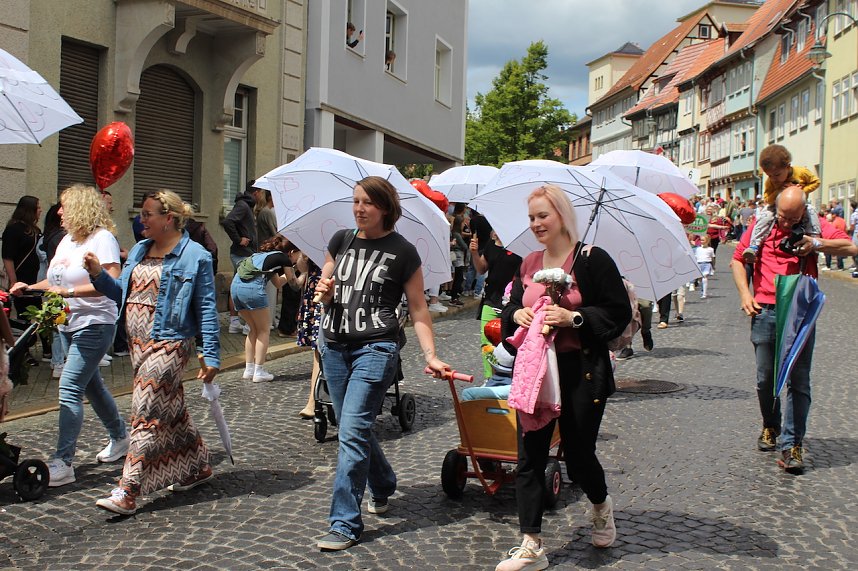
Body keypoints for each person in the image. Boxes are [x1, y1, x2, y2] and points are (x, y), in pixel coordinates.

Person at [496, 184, 631, 570]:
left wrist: (574, 317)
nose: (536, 224)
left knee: (578, 454)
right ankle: (531, 543)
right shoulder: (528, 263)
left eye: (543, 215)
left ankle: (601, 506)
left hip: (579, 371)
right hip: (535, 369)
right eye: (532, 217)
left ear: (562, 216)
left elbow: (618, 311)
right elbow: (508, 305)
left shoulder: (591, 259)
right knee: (530, 455)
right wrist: (515, 316)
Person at [313, 176, 450, 551]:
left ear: (385, 208)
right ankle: (384, 482)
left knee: (352, 431)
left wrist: (430, 355)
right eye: (355, 202)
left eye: (367, 203)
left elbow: (419, 308)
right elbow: (326, 282)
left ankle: (344, 523)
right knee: (352, 428)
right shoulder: (341, 241)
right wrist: (324, 291)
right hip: (334, 347)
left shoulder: (404, 252)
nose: (359, 209)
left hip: (377, 349)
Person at [84, 189, 220, 515]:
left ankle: (127, 490)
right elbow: (121, 293)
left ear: (168, 218)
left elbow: (206, 308)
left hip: (170, 343)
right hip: (137, 344)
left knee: (145, 412)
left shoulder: (195, 256)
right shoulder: (141, 250)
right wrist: (98, 275)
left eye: (147, 214)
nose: (140, 219)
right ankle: (197, 466)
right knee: (169, 409)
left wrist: (211, 354)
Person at [731, 186, 856, 475]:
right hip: (764, 309)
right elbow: (738, 260)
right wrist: (744, 295)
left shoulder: (814, 226)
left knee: (798, 381)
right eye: (783, 217)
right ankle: (770, 425)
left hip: (800, 313)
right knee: (765, 379)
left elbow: (851, 247)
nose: (787, 224)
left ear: (803, 211)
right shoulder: (761, 224)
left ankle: (792, 445)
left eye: (793, 218)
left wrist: (816, 243)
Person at [10, 185, 128, 488]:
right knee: (93, 387)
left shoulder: (102, 239)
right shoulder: (67, 241)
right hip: (68, 324)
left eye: (63, 206)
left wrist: (70, 292)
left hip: (95, 323)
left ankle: (63, 461)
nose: (58, 212)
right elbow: (55, 278)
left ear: (79, 207)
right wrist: (30, 287)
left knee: (69, 386)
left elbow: (112, 284)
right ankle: (120, 437)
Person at [230, 235, 295, 383]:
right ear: (291, 252)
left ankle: (249, 369)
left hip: (236, 288)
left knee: (253, 329)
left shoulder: (261, 256)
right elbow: (293, 283)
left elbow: (278, 283)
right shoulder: (283, 258)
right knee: (264, 330)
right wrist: (301, 272)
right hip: (252, 290)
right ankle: (259, 371)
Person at [743, 145, 821, 263]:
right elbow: (768, 199)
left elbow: (816, 182)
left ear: (788, 166)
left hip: (798, 205)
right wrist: (779, 191)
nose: (774, 178)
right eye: (770, 175)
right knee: (764, 217)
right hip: (776, 207)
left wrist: (802, 191)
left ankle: (815, 239)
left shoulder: (801, 172)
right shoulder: (770, 182)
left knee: (811, 212)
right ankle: (754, 245)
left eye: (777, 174)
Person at [3, 195, 49, 363]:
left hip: (35, 279)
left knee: (39, 313)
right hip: (21, 279)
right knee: (24, 316)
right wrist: (14, 281)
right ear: (28, 210)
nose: (40, 210)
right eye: (37, 207)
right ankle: (23, 352)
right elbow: (7, 257)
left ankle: (45, 349)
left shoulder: (35, 229)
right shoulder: (13, 229)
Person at [470, 230, 521, 379]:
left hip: (512, 304)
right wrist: (474, 253)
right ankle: (489, 378)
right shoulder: (491, 245)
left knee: (510, 342)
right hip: (491, 300)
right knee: (486, 342)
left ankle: (511, 379)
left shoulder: (519, 247)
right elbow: (481, 269)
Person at [221, 180, 263, 334]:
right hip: (242, 254)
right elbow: (228, 222)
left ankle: (235, 323)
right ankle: (247, 325)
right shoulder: (243, 205)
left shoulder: (246, 206)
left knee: (237, 285)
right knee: (248, 286)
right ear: (256, 193)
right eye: (262, 194)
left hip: (243, 253)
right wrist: (239, 239)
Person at [41, 204, 68, 379]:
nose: (61, 213)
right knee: (59, 326)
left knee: (59, 325)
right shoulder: (60, 238)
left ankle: (59, 362)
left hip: (59, 288)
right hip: (59, 289)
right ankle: (58, 362)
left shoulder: (54, 236)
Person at [295, 251, 323, 419]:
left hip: (323, 291)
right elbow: (302, 266)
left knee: (320, 350)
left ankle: (313, 401)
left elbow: (302, 267)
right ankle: (312, 401)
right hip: (320, 294)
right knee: (319, 350)